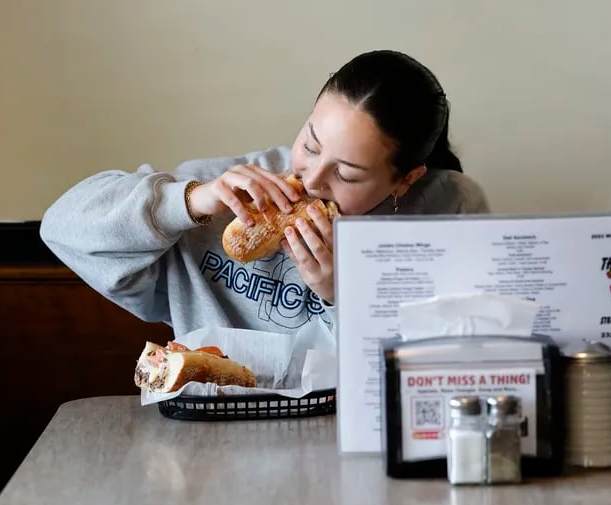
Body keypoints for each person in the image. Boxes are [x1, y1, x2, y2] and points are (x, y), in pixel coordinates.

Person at [40, 49, 490, 338]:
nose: (313, 179)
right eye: (310, 145)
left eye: (348, 175)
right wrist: (190, 202)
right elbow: (61, 228)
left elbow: (452, 362)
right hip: (211, 426)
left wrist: (343, 293)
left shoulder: (447, 211)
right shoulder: (223, 190)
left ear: (405, 179)